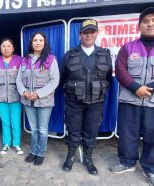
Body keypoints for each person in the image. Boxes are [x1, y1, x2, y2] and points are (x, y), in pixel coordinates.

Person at [110, 7, 154, 186]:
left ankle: (151, 169)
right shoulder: (128, 47)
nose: (149, 24)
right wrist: (135, 87)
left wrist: (152, 88)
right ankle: (127, 162)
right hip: (130, 100)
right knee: (128, 134)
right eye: (145, 21)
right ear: (139, 26)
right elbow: (121, 69)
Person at [60, 19, 112, 175]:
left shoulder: (105, 54)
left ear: (96, 33)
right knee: (73, 131)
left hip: (96, 102)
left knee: (91, 132)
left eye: (91, 32)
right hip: (74, 102)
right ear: (80, 34)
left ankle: (88, 159)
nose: (88, 35)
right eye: (85, 32)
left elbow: (108, 77)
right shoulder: (69, 55)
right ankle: (70, 157)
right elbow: (62, 77)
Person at [16, 32, 60, 166]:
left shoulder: (51, 59)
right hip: (28, 100)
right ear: (31, 43)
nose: (38, 42)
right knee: (33, 129)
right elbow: (18, 79)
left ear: (45, 43)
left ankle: (41, 153)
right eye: (35, 40)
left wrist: (38, 94)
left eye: (41, 40)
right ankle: (33, 152)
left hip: (44, 101)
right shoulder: (25, 60)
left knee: (42, 129)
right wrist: (23, 92)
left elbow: (54, 81)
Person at [0, 38, 23, 155]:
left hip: (16, 98)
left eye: (9, 46)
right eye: (3, 46)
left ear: (13, 48)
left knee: (16, 121)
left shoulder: (20, 60)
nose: (6, 48)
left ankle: (17, 144)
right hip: (0, 98)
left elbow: (24, 79)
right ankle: (7, 143)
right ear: (0, 48)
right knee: (5, 122)